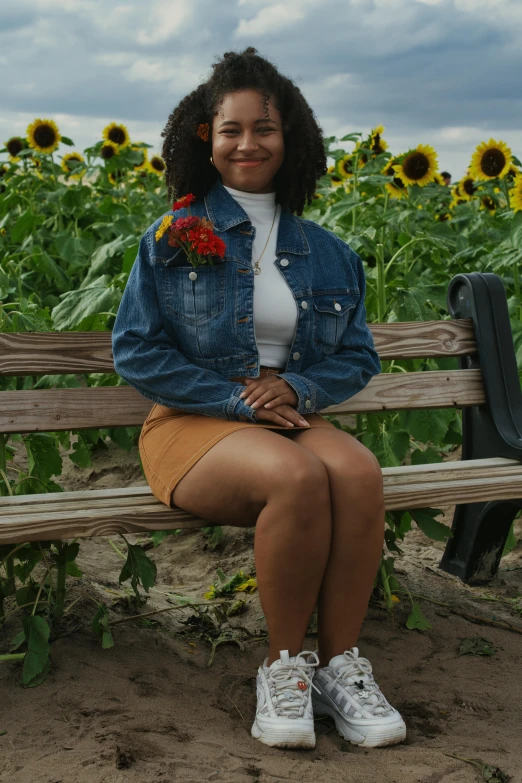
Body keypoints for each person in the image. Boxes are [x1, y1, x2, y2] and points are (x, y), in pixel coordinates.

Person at [112, 47, 407, 751]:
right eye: (231, 129)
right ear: (206, 140)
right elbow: (137, 351)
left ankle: (340, 666)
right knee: (298, 476)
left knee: (360, 472)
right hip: (191, 422)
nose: (248, 143)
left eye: (264, 128)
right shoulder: (173, 241)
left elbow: (358, 353)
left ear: (290, 137)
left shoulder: (329, 252)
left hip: (287, 415)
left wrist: (300, 385)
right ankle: (282, 667)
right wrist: (238, 400)